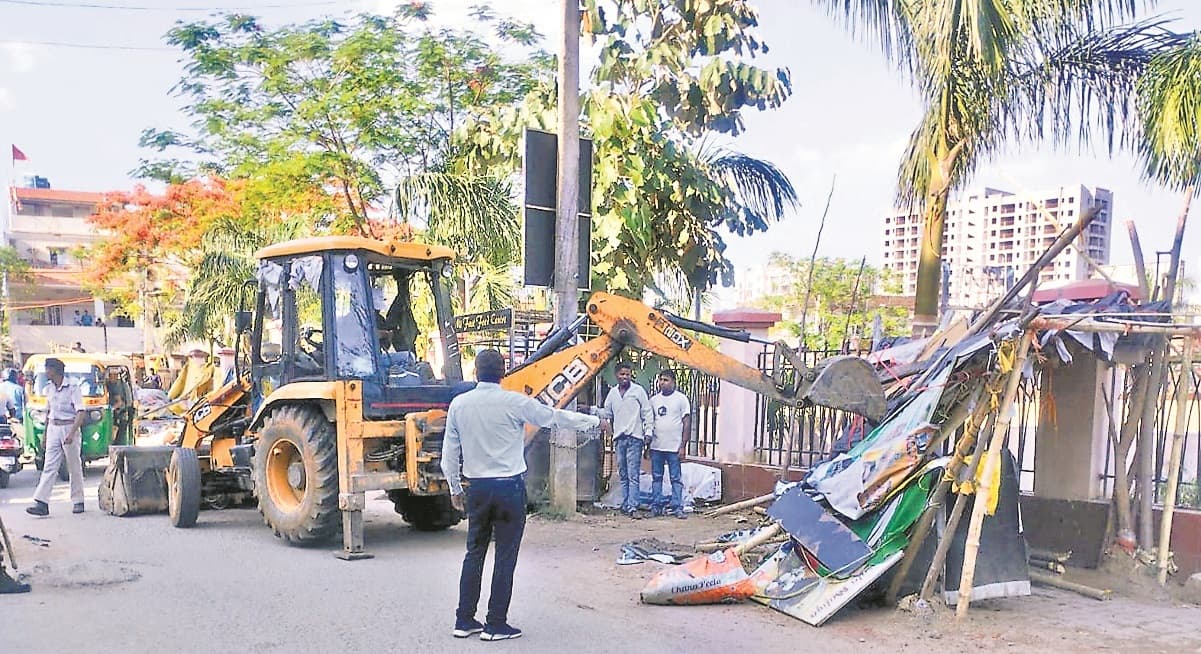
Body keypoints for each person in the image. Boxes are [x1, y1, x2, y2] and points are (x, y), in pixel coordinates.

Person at [441, 349, 606, 642]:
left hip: (477, 488)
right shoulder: (515, 402)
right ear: (503, 372)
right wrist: (593, 422)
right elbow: (553, 417)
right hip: (509, 488)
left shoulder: (459, 405)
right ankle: (495, 624)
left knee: (474, 553)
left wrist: (454, 488)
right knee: (505, 556)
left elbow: (449, 454)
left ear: (476, 372)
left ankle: (464, 620)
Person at [590, 362, 653, 518]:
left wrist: (648, 432)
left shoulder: (638, 391)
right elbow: (607, 413)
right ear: (616, 375)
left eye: (628, 374)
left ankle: (633, 506)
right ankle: (626, 504)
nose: (625, 377)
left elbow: (647, 412)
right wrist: (590, 410)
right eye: (622, 374)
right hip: (619, 438)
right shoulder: (613, 393)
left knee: (633, 474)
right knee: (623, 473)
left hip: (635, 438)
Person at [26, 357, 87, 516]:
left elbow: (80, 412)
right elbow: (49, 412)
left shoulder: (72, 388)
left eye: (48, 369)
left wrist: (72, 433)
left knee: (73, 465)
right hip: (54, 427)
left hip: (69, 426)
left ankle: (78, 500)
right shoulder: (49, 388)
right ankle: (42, 502)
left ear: (55, 370)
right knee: (49, 466)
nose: (46, 372)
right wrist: (45, 434)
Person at [649, 369, 691, 519]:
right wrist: (647, 444)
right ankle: (656, 506)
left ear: (673, 382)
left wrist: (683, 446)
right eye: (661, 380)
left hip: (674, 447)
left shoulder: (681, 399)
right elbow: (649, 422)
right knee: (657, 477)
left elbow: (686, 423)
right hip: (656, 446)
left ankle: (677, 507)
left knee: (675, 478)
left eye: (666, 380)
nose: (662, 383)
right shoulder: (653, 400)